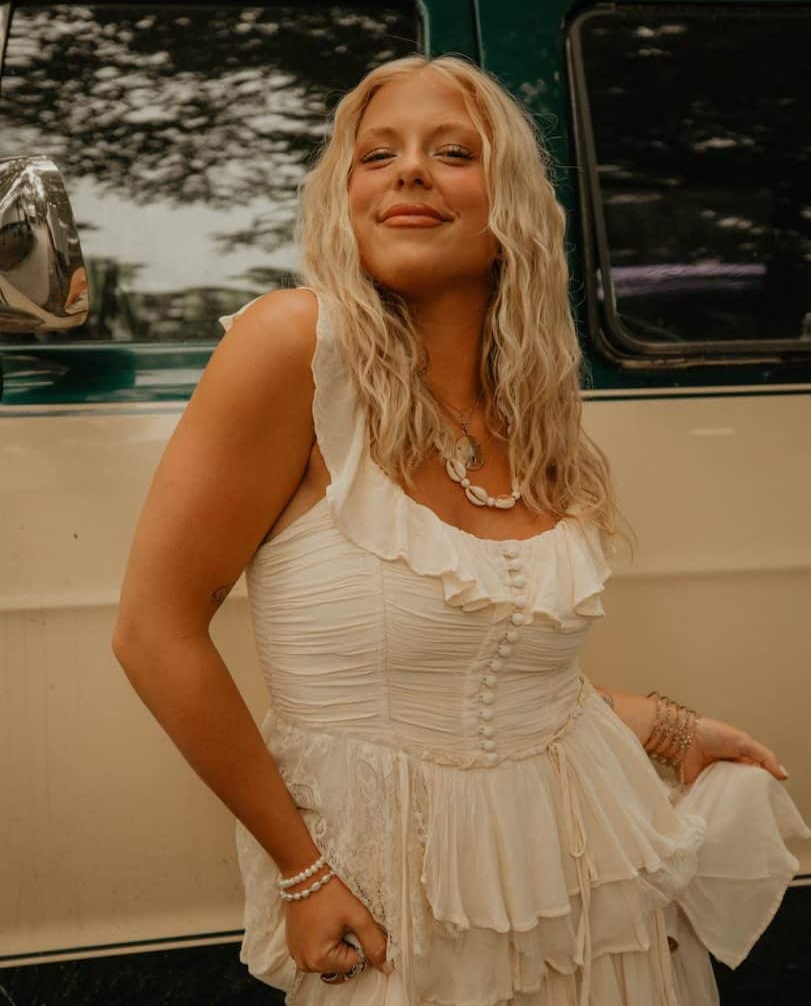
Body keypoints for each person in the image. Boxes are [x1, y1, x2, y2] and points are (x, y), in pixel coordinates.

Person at [112, 54, 811, 1005]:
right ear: (343, 197)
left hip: (585, 883)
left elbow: (504, 686)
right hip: (389, 904)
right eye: (376, 156)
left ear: (510, 209)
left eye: (452, 152)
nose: (407, 171)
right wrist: (303, 872)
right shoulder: (290, 348)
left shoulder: (534, 411)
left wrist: (669, 728)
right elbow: (152, 632)